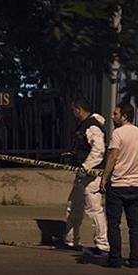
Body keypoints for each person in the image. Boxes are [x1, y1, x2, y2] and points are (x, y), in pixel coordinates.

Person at [99, 102, 138, 268]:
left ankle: (115, 259)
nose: (113, 117)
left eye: (116, 114)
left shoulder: (118, 134)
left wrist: (104, 178)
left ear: (124, 116)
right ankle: (134, 260)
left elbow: (113, 157)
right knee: (134, 225)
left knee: (114, 224)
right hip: (135, 186)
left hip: (118, 185)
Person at [54, 98, 109, 253]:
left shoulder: (92, 127)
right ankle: (70, 240)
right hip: (83, 175)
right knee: (74, 207)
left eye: (74, 110)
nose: (73, 113)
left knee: (94, 210)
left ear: (78, 109)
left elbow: (98, 150)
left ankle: (102, 245)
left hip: (91, 176)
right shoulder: (85, 125)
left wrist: (86, 167)